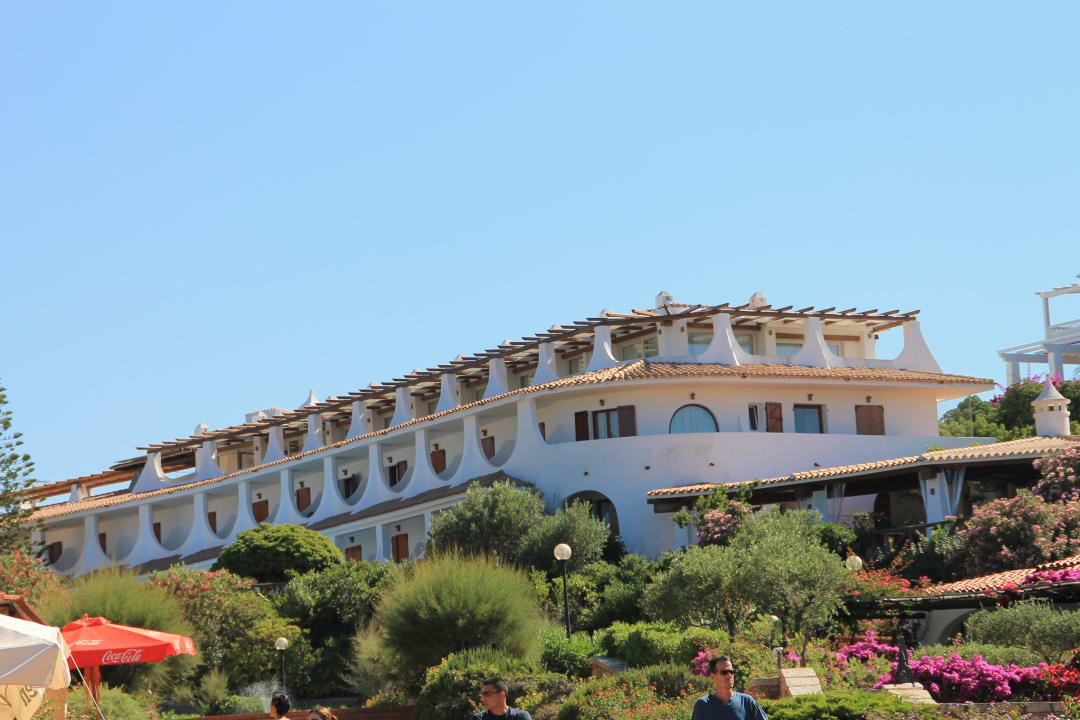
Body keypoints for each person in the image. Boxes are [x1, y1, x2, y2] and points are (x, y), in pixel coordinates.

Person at [690, 655, 769, 720]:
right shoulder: (702, 705)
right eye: (724, 672)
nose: (729, 675)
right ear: (712, 676)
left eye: (731, 672)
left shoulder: (747, 702)